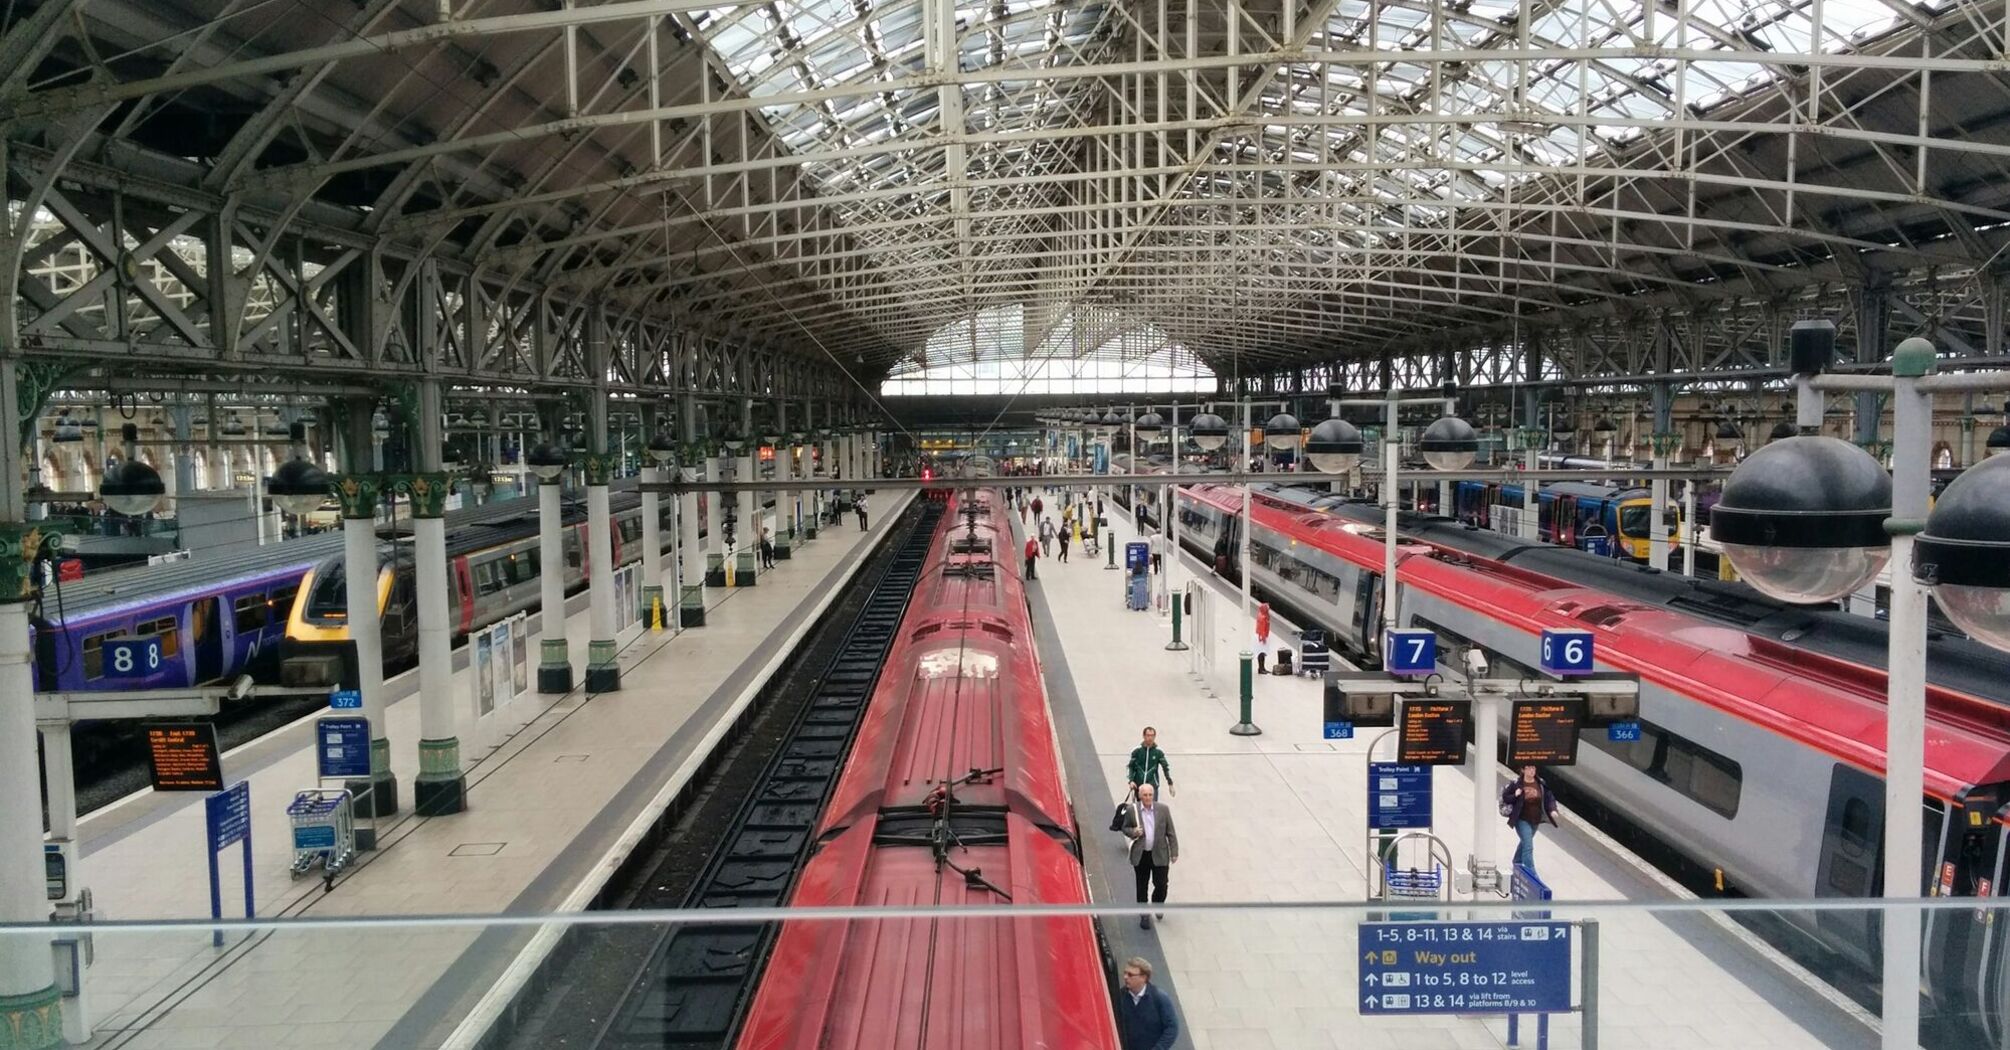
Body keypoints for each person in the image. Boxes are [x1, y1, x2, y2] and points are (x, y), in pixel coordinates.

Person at [1126, 782, 1178, 928]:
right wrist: (1133, 832)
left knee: (1161, 884)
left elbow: (1171, 832)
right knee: (1141, 886)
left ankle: (1157, 903)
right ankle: (1144, 915)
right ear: (1139, 796)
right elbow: (1125, 827)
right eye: (1145, 795)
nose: (1148, 798)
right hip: (1141, 855)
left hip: (1160, 853)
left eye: (1150, 795)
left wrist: (1174, 852)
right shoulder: (1132, 810)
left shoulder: (1163, 810)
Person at [1500, 765, 1560, 874]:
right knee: (1528, 846)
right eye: (1529, 768)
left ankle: (1517, 861)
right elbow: (1505, 797)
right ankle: (1532, 874)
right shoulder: (1516, 783)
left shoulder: (1540, 783)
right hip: (1522, 819)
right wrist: (1515, 795)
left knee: (1525, 842)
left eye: (1534, 768)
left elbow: (1549, 797)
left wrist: (1552, 810)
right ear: (1523, 770)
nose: (1532, 771)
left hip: (1535, 820)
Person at [1117, 957, 1180, 1050]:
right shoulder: (1119, 997)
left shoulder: (1159, 998)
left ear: (1143, 977)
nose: (1125, 977)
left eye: (1130, 974)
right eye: (1125, 973)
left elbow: (1172, 1028)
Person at [1126, 726, 1173, 793]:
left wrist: (1170, 783)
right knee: (1139, 803)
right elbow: (1130, 766)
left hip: (1153, 786)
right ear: (1144, 736)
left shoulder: (1158, 752)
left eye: (1152, 736)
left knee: (1153, 803)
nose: (1150, 738)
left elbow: (1165, 768)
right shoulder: (1137, 751)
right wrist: (1131, 781)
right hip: (1138, 786)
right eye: (1148, 735)